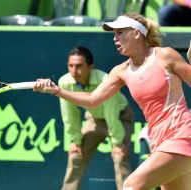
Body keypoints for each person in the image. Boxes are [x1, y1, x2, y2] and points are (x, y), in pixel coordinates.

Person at [34, 12, 191, 189]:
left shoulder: (165, 56)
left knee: (131, 185)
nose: (115, 38)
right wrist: (57, 91)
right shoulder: (121, 71)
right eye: (114, 34)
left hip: (182, 134)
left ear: (136, 33)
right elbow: (93, 99)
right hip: (158, 141)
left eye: (120, 33)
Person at [57, 46, 134, 190]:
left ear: (90, 66)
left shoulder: (104, 79)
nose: (74, 70)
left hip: (120, 117)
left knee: (119, 157)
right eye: (71, 65)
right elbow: (69, 114)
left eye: (79, 66)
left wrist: (117, 142)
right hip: (94, 119)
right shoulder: (64, 83)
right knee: (75, 155)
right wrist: (75, 141)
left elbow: (111, 112)